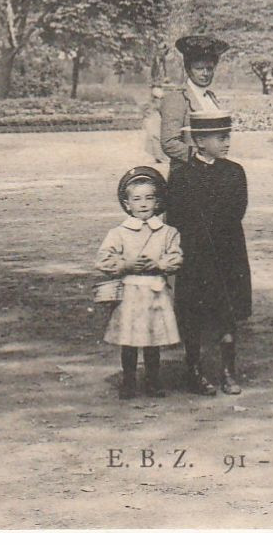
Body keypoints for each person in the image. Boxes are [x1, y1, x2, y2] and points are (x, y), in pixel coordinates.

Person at [163, 109, 251, 396]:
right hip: (196, 257)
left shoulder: (234, 172)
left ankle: (227, 371)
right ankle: (194, 370)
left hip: (228, 254)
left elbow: (237, 211)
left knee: (227, 313)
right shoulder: (182, 176)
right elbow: (175, 217)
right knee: (194, 314)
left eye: (228, 136)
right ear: (200, 141)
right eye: (220, 137)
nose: (227, 142)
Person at [96, 166, 182, 399]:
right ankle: (129, 381)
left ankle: (153, 381)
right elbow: (103, 260)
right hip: (130, 294)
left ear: (157, 202)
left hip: (155, 292)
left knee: (153, 340)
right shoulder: (119, 233)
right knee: (129, 341)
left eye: (149, 198)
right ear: (127, 204)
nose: (143, 204)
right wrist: (126, 264)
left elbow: (176, 258)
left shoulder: (167, 232)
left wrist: (159, 263)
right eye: (137, 199)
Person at [160, 35, 229, 176]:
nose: (205, 73)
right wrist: (201, 158)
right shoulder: (177, 98)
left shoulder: (211, 97)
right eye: (199, 68)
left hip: (213, 173)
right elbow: (169, 142)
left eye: (209, 68)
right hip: (187, 175)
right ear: (188, 69)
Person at [142, 87, 167, 166]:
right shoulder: (152, 102)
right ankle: (158, 156)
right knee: (154, 137)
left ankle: (159, 156)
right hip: (153, 118)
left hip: (156, 118)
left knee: (156, 137)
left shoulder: (156, 101)